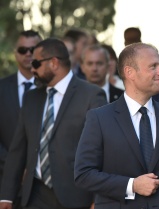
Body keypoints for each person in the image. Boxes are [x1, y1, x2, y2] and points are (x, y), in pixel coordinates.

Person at [74, 43, 159, 209]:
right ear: (129, 72)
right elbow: (84, 174)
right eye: (153, 66)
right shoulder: (99, 118)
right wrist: (132, 185)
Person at [0, 38, 107, 209]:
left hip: (76, 197)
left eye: (36, 63)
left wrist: (98, 199)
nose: (31, 68)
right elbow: (17, 150)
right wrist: (6, 197)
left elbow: (103, 150)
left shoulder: (92, 95)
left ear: (54, 63)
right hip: (35, 195)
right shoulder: (31, 98)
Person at [0, 30, 42, 209]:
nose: (28, 54)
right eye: (23, 49)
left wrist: (32, 167)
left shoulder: (52, 89)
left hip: (42, 185)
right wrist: (15, 166)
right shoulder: (1, 88)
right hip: (3, 181)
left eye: (32, 49)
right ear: (15, 53)